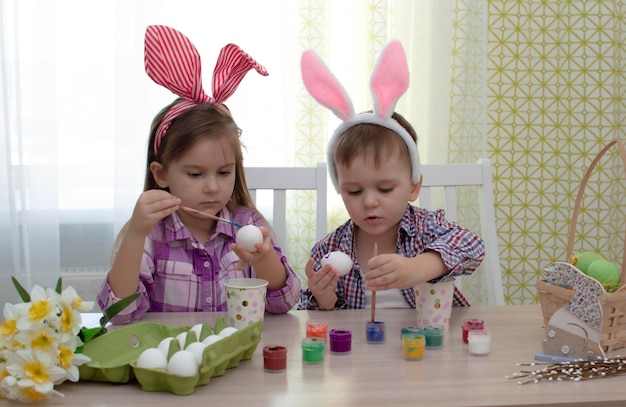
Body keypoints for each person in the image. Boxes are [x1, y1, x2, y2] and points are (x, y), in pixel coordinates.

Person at [97, 25, 300, 324]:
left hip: (238, 358)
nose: (212, 187)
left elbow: (286, 302)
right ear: (162, 174)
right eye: (195, 174)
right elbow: (120, 313)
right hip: (170, 362)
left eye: (223, 172)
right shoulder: (152, 234)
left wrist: (264, 259)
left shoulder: (247, 224)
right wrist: (136, 233)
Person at [298, 40, 484, 310]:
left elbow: (473, 246)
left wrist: (417, 268)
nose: (370, 201)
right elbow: (312, 315)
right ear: (340, 188)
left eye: (384, 189)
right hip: (364, 351)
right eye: (354, 191)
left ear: (413, 187)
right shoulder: (330, 248)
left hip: (429, 345)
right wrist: (325, 300)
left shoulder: (425, 230)